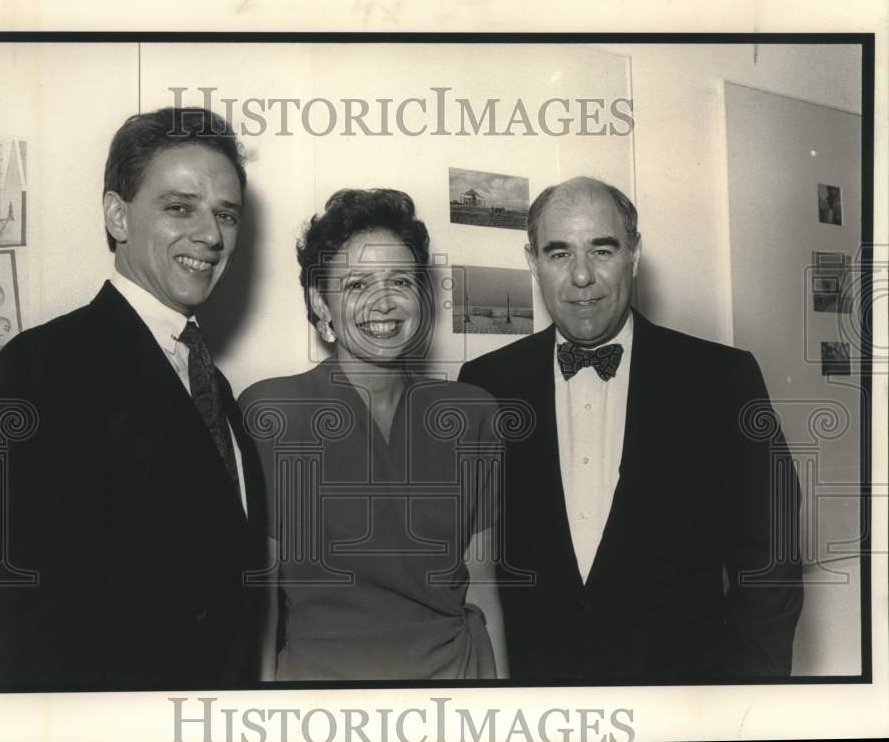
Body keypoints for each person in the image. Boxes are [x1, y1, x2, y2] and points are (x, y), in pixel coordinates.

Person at [458, 176, 803, 682]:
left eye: (602, 249)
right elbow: (474, 573)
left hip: (684, 704)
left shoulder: (723, 378)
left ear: (634, 255)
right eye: (558, 253)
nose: (581, 277)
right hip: (536, 705)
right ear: (532, 261)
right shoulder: (485, 384)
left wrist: (745, 703)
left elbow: (771, 565)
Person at [0, 107, 265, 690]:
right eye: (180, 206)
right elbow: (19, 611)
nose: (210, 234)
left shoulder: (209, 381)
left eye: (225, 214)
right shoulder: (40, 368)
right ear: (117, 215)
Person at [239, 189, 508, 680]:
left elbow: (483, 585)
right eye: (358, 284)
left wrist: (505, 711)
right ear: (322, 306)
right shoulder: (272, 413)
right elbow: (261, 604)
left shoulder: (472, 414)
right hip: (320, 700)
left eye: (400, 281)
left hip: (459, 687)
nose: (384, 302)